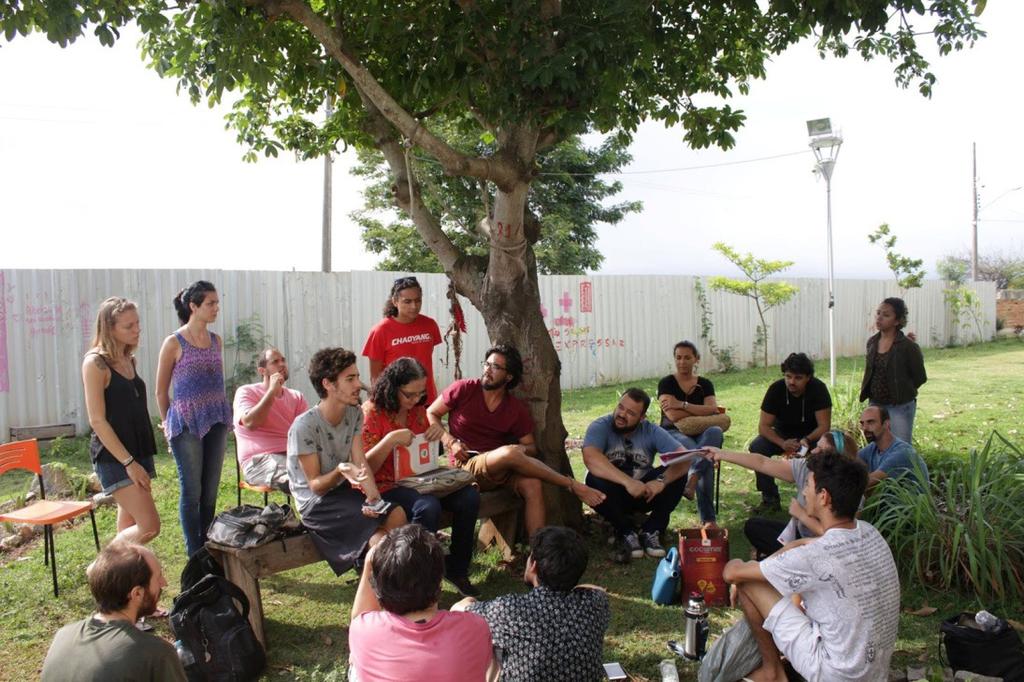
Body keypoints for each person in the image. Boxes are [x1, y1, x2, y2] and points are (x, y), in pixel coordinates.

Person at [721, 451, 899, 682]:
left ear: (823, 497)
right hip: (874, 672)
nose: (804, 491)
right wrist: (798, 542)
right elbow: (818, 546)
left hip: (834, 673)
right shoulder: (870, 533)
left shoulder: (815, 555)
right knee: (796, 590)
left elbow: (731, 574)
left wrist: (739, 563)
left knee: (749, 581)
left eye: (807, 484)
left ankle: (772, 672)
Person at [427, 344, 604, 537]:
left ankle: (538, 553)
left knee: (533, 485)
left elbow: (531, 447)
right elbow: (431, 413)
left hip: (500, 470)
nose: (487, 369)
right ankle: (572, 485)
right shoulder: (464, 389)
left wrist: (509, 454)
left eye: (495, 367)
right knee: (510, 453)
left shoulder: (514, 408)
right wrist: (450, 441)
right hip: (466, 466)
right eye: (486, 364)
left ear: (508, 377)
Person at [362, 357, 481, 597]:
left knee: (469, 497)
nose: (416, 400)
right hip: (387, 484)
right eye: (409, 394)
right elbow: (365, 467)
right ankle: (417, 577)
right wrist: (390, 440)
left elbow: (422, 451)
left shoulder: (417, 410)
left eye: (421, 394)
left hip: (421, 479)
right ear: (393, 387)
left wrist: (436, 434)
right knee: (427, 506)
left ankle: (456, 569)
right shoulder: (372, 413)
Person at [287, 347, 406, 575]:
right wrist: (341, 470)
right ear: (328, 384)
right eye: (350, 379)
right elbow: (316, 486)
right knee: (379, 539)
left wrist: (374, 499)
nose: (358, 384)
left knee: (396, 514)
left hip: (342, 494)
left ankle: (385, 580)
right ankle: (386, 591)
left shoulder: (354, 413)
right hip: (316, 505)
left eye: (358, 377)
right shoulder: (304, 427)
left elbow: (360, 461)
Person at [453, 526, 610, 682]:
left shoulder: (508, 610)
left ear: (533, 566)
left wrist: (468, 600)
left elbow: (458, 612)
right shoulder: (596, 603)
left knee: (487, 645)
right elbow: (595, 589)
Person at [348, 525, 492, 682]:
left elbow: (359, 617)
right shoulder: (476, 626)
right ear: (440, 582)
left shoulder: (364, 631)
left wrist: (369, 562)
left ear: (378, 588)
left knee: (355, 662)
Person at [155, 281, 233, 557]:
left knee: (210, 491)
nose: (216, 308)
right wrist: (168, 426)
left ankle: (207, 545)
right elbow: (161, 391)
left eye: (216, 303)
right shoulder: (174, 342)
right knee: (192, 492)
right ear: (193, 306)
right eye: (210, 303)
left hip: (216, 420)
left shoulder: (216, 341)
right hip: (186, 423)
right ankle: (194, 553)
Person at [41, 542, 185, 681]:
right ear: (137, 594)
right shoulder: (156, 654)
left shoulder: (63, 635)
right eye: (158, 577)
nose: (164, 583)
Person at [705, 430, 857, 561]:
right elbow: (762, 463)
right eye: (816, 446)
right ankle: (776, 558)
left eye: (822, 450)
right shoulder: (807, 467)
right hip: (798, 537)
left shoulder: (848, 490)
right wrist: (721, 454)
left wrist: (802, 515)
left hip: (826, 551)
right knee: (754, 526)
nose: (814, 451)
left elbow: (839, 540)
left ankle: (774, 559)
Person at [81, 297, 160, 546]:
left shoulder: (129, 359)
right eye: (129, 326)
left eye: (137, 323)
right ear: (109, 328)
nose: (137, 330)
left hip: (139, 450)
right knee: (149, 527)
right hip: (116, 458)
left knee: (128, 524)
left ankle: (122, 579)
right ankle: (105, 566)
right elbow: (97, 420)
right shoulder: (95, 364)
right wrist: (129, 463)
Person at [582, 388, 692, 563]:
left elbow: (684, 458)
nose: (622, 414)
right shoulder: (600, 425)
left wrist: (661, 482)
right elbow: (591, 458)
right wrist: (627, 482)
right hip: (612, 495)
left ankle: (653, 529)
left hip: (644, 492)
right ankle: (625, 531)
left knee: (678, 475)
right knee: (593, 479)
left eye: (631, 413)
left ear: (642, 418)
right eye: (620, 407)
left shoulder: (651, 430)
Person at [750, 352, 832, 511]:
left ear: (808, 377)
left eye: (798, 378)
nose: (791, 382)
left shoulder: (818, 389)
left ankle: (818, 498)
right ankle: (769, 497)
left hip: (811, 436)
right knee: (757, 447)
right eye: (788, 376)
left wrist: (806, 440)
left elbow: (824, 426)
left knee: (827, 450)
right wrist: (782, 443)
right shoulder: (776, 389)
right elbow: (764, 426)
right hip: (781, 435)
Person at [656, 340, 724, 525]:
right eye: (678, 357)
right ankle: (709, 520)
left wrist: (682, 404)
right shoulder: (667, 383)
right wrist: (697, 408)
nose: (682, 362)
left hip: (701, 431)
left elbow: (712, 409)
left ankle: (693, 478)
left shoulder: (705, 384)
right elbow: (672, 415)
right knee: (705, 456)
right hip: (672, 432)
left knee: (715, 431)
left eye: (687, 357)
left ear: (696, 359)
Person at [233, 348, 308, 493]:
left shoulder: (296, 397)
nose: (281, 364)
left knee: (330, 475)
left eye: (283, 360)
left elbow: (305, 433)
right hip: (259, 461)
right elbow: (250, 423)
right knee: (302, 480)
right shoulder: (246, 392)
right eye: (275, 362)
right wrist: (271, 392)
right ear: (262, 371)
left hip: (292, 456)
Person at [362, 276, 444, 403]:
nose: (414, 306)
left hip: (426, 399)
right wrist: (380, 402)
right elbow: (375, 376)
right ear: (395, 301)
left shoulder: (430, 325)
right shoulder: (380, 331)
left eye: (418, 301)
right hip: (396, 402)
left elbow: (425, 358)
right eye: (407, 301)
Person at [859, 297, 927, 443]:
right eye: (878, 313)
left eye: (886, 315)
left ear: (897, 321)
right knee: (875, 444)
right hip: (875, 403)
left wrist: (903, 390)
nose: (879, 318)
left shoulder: (908, 346)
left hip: (899, 406)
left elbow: (920, 377)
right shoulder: (872, 342)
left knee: (900, 445)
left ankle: (902, 467)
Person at [857, 405, 929, 493]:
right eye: (862, 423)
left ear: (886, 424)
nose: (865, 428)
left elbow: (867, 482)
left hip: (908, 505)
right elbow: (850, 461)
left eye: (871, 422)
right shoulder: (873, 448)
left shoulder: (901, 453)